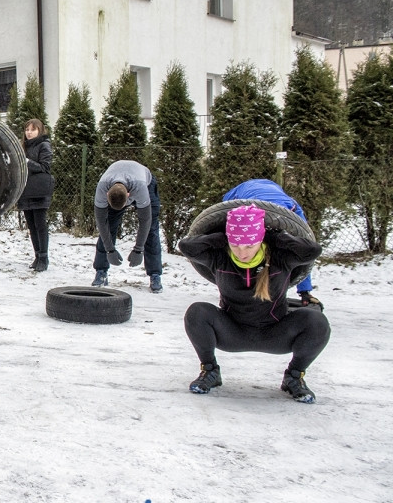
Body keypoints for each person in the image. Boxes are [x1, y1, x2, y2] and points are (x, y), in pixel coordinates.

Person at [178, 204, 331, 403]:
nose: (242, 252)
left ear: (260, 240)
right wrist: (226, 236)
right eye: (236, 245)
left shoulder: (280, 257)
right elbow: (186, 246)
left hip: (275, 332)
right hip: (232, 332)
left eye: (249, 245)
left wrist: (273, 237)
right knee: (197, 312)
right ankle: (210, 371)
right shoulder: (219, 257)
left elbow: (313, 250)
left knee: (316, 321)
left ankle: (294, 377)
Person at [223, 179, 322, 308]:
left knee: (303, 240)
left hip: (285, 205)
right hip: (249, 195)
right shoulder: (239, 202)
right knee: (238, 239)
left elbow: (308, 247)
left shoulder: (290, 209)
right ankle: (304, 291)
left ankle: (304, 289)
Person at [92, 160, 163, 292]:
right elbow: (102, 222)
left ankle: (155, 275)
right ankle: (101, 271)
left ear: (130, 196)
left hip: (145, 182)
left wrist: (139, 249)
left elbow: (145, 221)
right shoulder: (102, 188)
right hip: (117, 181)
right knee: (109, 226)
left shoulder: (140, 188)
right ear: (107, 195)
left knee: (152, 229)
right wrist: (109, 250)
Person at [16, 118, 54, 272]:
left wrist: (26, 162)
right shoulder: (23, 146)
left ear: (40, 130)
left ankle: (44, 257)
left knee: (40, 224)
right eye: (27, 130)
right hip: (26, 190)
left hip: (38, 191)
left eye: (33, 129)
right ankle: (37, 255)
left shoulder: (44, 145)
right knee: (31, 226)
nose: (29, 132)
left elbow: (45, 167)